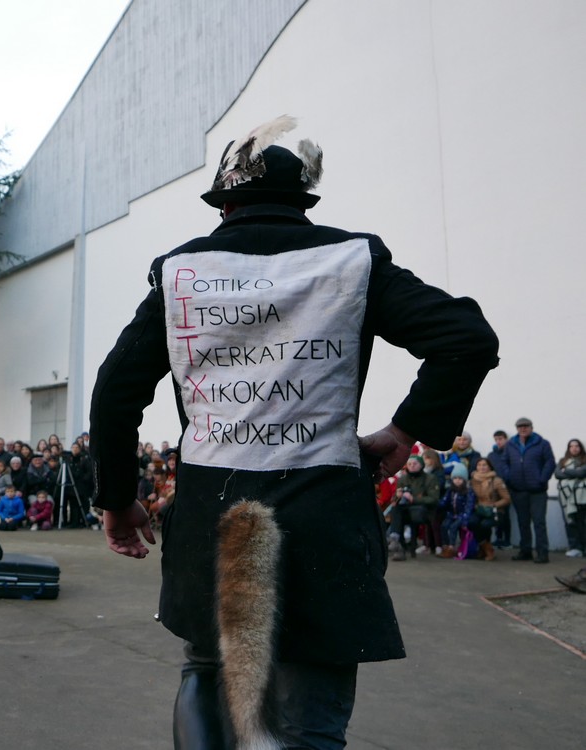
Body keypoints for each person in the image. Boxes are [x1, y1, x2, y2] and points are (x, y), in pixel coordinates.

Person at [88, 117, 498, 749]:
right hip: (321, 517)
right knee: (306, 722)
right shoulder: (353, 261)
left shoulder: (180, 272)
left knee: (208, 669)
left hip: (212, 516)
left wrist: (117, 499)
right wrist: (404, 431)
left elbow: (115, 392)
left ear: (224, 204)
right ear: (305, 200)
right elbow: (466, 339)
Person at [502, 417, 556, 563]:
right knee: (523, 523)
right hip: (518, 490)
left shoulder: (542, 444)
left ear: (531, 427)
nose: (523, 429)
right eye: (520, 427)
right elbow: (504, 462)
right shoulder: (510, 444)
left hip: (537, 491)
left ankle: (542, 553)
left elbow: (550, 463)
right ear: (517, 429)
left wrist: (542, 479)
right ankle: (525, 551)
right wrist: (509, 477)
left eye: (526, 426)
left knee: (539, 523)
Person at [388, 454, 441, 561]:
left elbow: (434, 499)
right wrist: (397, 496)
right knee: (396, 509)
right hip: (405, 509)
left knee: (400, 514)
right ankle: (397, 540)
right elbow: (394, 500)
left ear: (421, 465)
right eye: (409, 464)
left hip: (423, 510)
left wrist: (413, 499)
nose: (412, 466)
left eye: (415, 464)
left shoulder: (430, 478)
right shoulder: (403, 479)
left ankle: (398, 543)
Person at [469, 457, 510, 561]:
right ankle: (485, 548)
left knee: (485, 525)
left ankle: (487, 550)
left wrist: (494, 505)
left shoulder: (497, 481)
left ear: (489, 467)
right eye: (479, 465)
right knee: (471, 522)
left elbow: (507, 499)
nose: (481, 467)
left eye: (484, 465)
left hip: (495, 510)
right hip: (480, 509)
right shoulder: (473, 480)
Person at [555, 438, 586, 558]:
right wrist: (573, 472)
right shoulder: (563, 461)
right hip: (566, 498)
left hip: (581, 497)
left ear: (581, 447)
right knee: (570, 522)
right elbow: (557, 474)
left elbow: (582, 473)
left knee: (582, 523)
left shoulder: (584, 459)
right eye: (571, 446)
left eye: (577, 446)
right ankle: (575, 547)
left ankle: (583, 547)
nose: (574, 448)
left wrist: (566, 470)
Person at [437, 464, 475, 558]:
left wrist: (465, 518)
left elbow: (469, 506)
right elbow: (444, 501)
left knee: (453, 527)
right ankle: (445, 546)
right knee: (444, 526)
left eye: (460, 478)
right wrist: (437, 504)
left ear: (464, 480)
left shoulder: (468, 491)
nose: (457, 480)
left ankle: (452, 547)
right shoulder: (450, 490)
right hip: (451, 514)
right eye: (455, 478)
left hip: (462, 515)